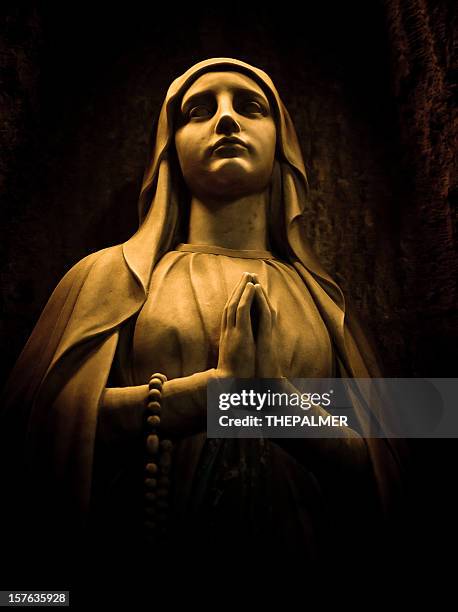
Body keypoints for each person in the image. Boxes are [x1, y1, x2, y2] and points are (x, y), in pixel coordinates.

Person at [1, 58, 405, 588]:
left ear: (284, 146)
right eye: (199, 110)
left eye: (249, 107)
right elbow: (28, 433)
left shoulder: (327, 302)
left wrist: (272, 403)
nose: (226, 120)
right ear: (169, 150)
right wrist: (210, 395)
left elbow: (408, 450)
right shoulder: (107, 279)